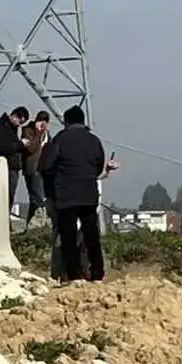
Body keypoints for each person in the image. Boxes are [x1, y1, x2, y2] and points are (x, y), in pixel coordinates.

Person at [39, 105, 116, 282]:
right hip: (89, 194)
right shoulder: (93, 140)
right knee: (91, 235)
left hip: (66, 195)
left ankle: (73, 275)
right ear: (82, 121)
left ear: (66, 121)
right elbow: (98, 166)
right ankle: (97, 272)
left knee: (68, 236)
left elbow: (47, 166)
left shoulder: (60, 139)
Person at [0, 106, 30, 212]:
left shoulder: (10, 128)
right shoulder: (1, 127)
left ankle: (6, 218)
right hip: (6, 167)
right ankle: (4, 219)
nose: (19, 125)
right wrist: (21, 144)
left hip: (11, 167)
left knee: (8, 196)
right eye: (20, 122)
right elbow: (5, 147)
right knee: (6, 195)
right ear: (14, 116)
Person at [20, 110, 51, 223]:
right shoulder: (27, 130)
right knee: (37, 198)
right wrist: (38, 134)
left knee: (37, 199)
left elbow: (50, 149)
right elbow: (30, 148)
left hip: (42, 169)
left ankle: (32, 224)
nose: (41, 125)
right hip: (32, 168)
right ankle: (36, 223)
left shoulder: (45, 134)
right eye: (40, 122)